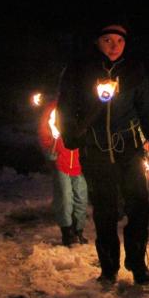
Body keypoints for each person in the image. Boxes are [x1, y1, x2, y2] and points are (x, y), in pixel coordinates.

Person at [58, 23, 149, 285]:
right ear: (97, 42)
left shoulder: (134, 70)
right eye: (107, 39)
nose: (114, 45)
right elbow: (66, 105)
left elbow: (145, 110)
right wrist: (69, 133)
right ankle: (109, 267)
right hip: (96, 150)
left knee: (139, 206)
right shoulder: (79, 70)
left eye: (119, 40)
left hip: (129, 149)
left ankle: (137, 262)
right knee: (104, 211)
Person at [37, 99, 89, 247]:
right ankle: (67, 233)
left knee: (81, 197)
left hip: (78, 163)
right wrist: (50, 150)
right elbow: (44, 132)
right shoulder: (53, 108)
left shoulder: (81, 107)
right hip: (61, 162)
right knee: (65, 198)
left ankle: (78, 231)